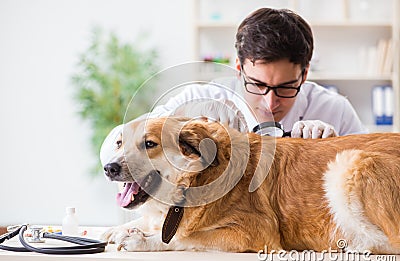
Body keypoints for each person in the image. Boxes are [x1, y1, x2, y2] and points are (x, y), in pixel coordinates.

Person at [100, 7, 367, 165]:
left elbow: (380, 174)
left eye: (286, 87)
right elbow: (110, 153)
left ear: (305, 74)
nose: (270, 102)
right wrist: (177, 125)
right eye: (257, 85)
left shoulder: (334, 110)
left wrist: (335, 149)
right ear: (239, 70)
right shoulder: (201, 97)